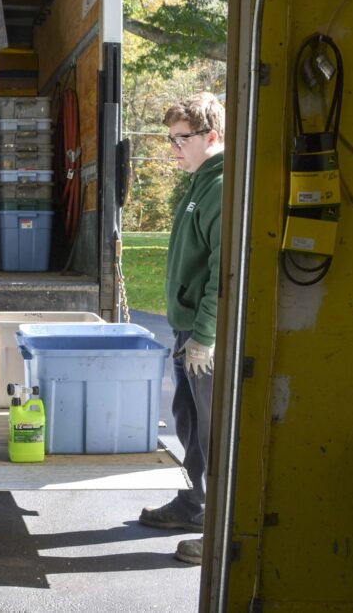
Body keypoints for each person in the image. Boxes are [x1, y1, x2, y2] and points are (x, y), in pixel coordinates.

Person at [138, 92, 225, 566]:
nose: (173, 149)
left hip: (202, 337)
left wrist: (205, 336)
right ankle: (192, 505)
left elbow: (222, 269)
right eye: (170, 139)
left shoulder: (220, 185)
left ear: (212, 137)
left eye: (182, 139)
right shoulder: (198, 182)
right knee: (189, 425)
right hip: (185, 331)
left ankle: (216, 530)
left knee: (213, 432)